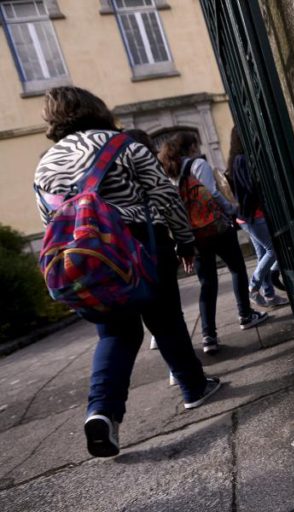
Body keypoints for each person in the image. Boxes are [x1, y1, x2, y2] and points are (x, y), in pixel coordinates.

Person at [34, 87, 221, 458]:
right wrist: (185, 240)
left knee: (116, 333)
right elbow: (164, 196)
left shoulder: (44, 165)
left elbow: (50, 221)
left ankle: (102, 411)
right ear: (95, 108)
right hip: (140, 243)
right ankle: (194, 387)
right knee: (165, 319)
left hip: (87, 255)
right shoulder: (123, 145)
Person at [158, 132, 268, 355]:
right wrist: (232, 209)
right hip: (216, 228)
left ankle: (208, 336)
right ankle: (245, 315)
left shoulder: (169, 174)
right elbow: (213, 193)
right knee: (237, 269)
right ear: (191, 147)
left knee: (207, 283)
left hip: (194, 235)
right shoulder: (197, 165)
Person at [227, 127, 289, 308]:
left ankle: (269, 295)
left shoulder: (236, 159)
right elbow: (250, 186)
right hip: (253, 215)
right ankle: (253, 287)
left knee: (263, 254)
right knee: (273, 250)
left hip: (248, 216)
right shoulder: (241, 159)